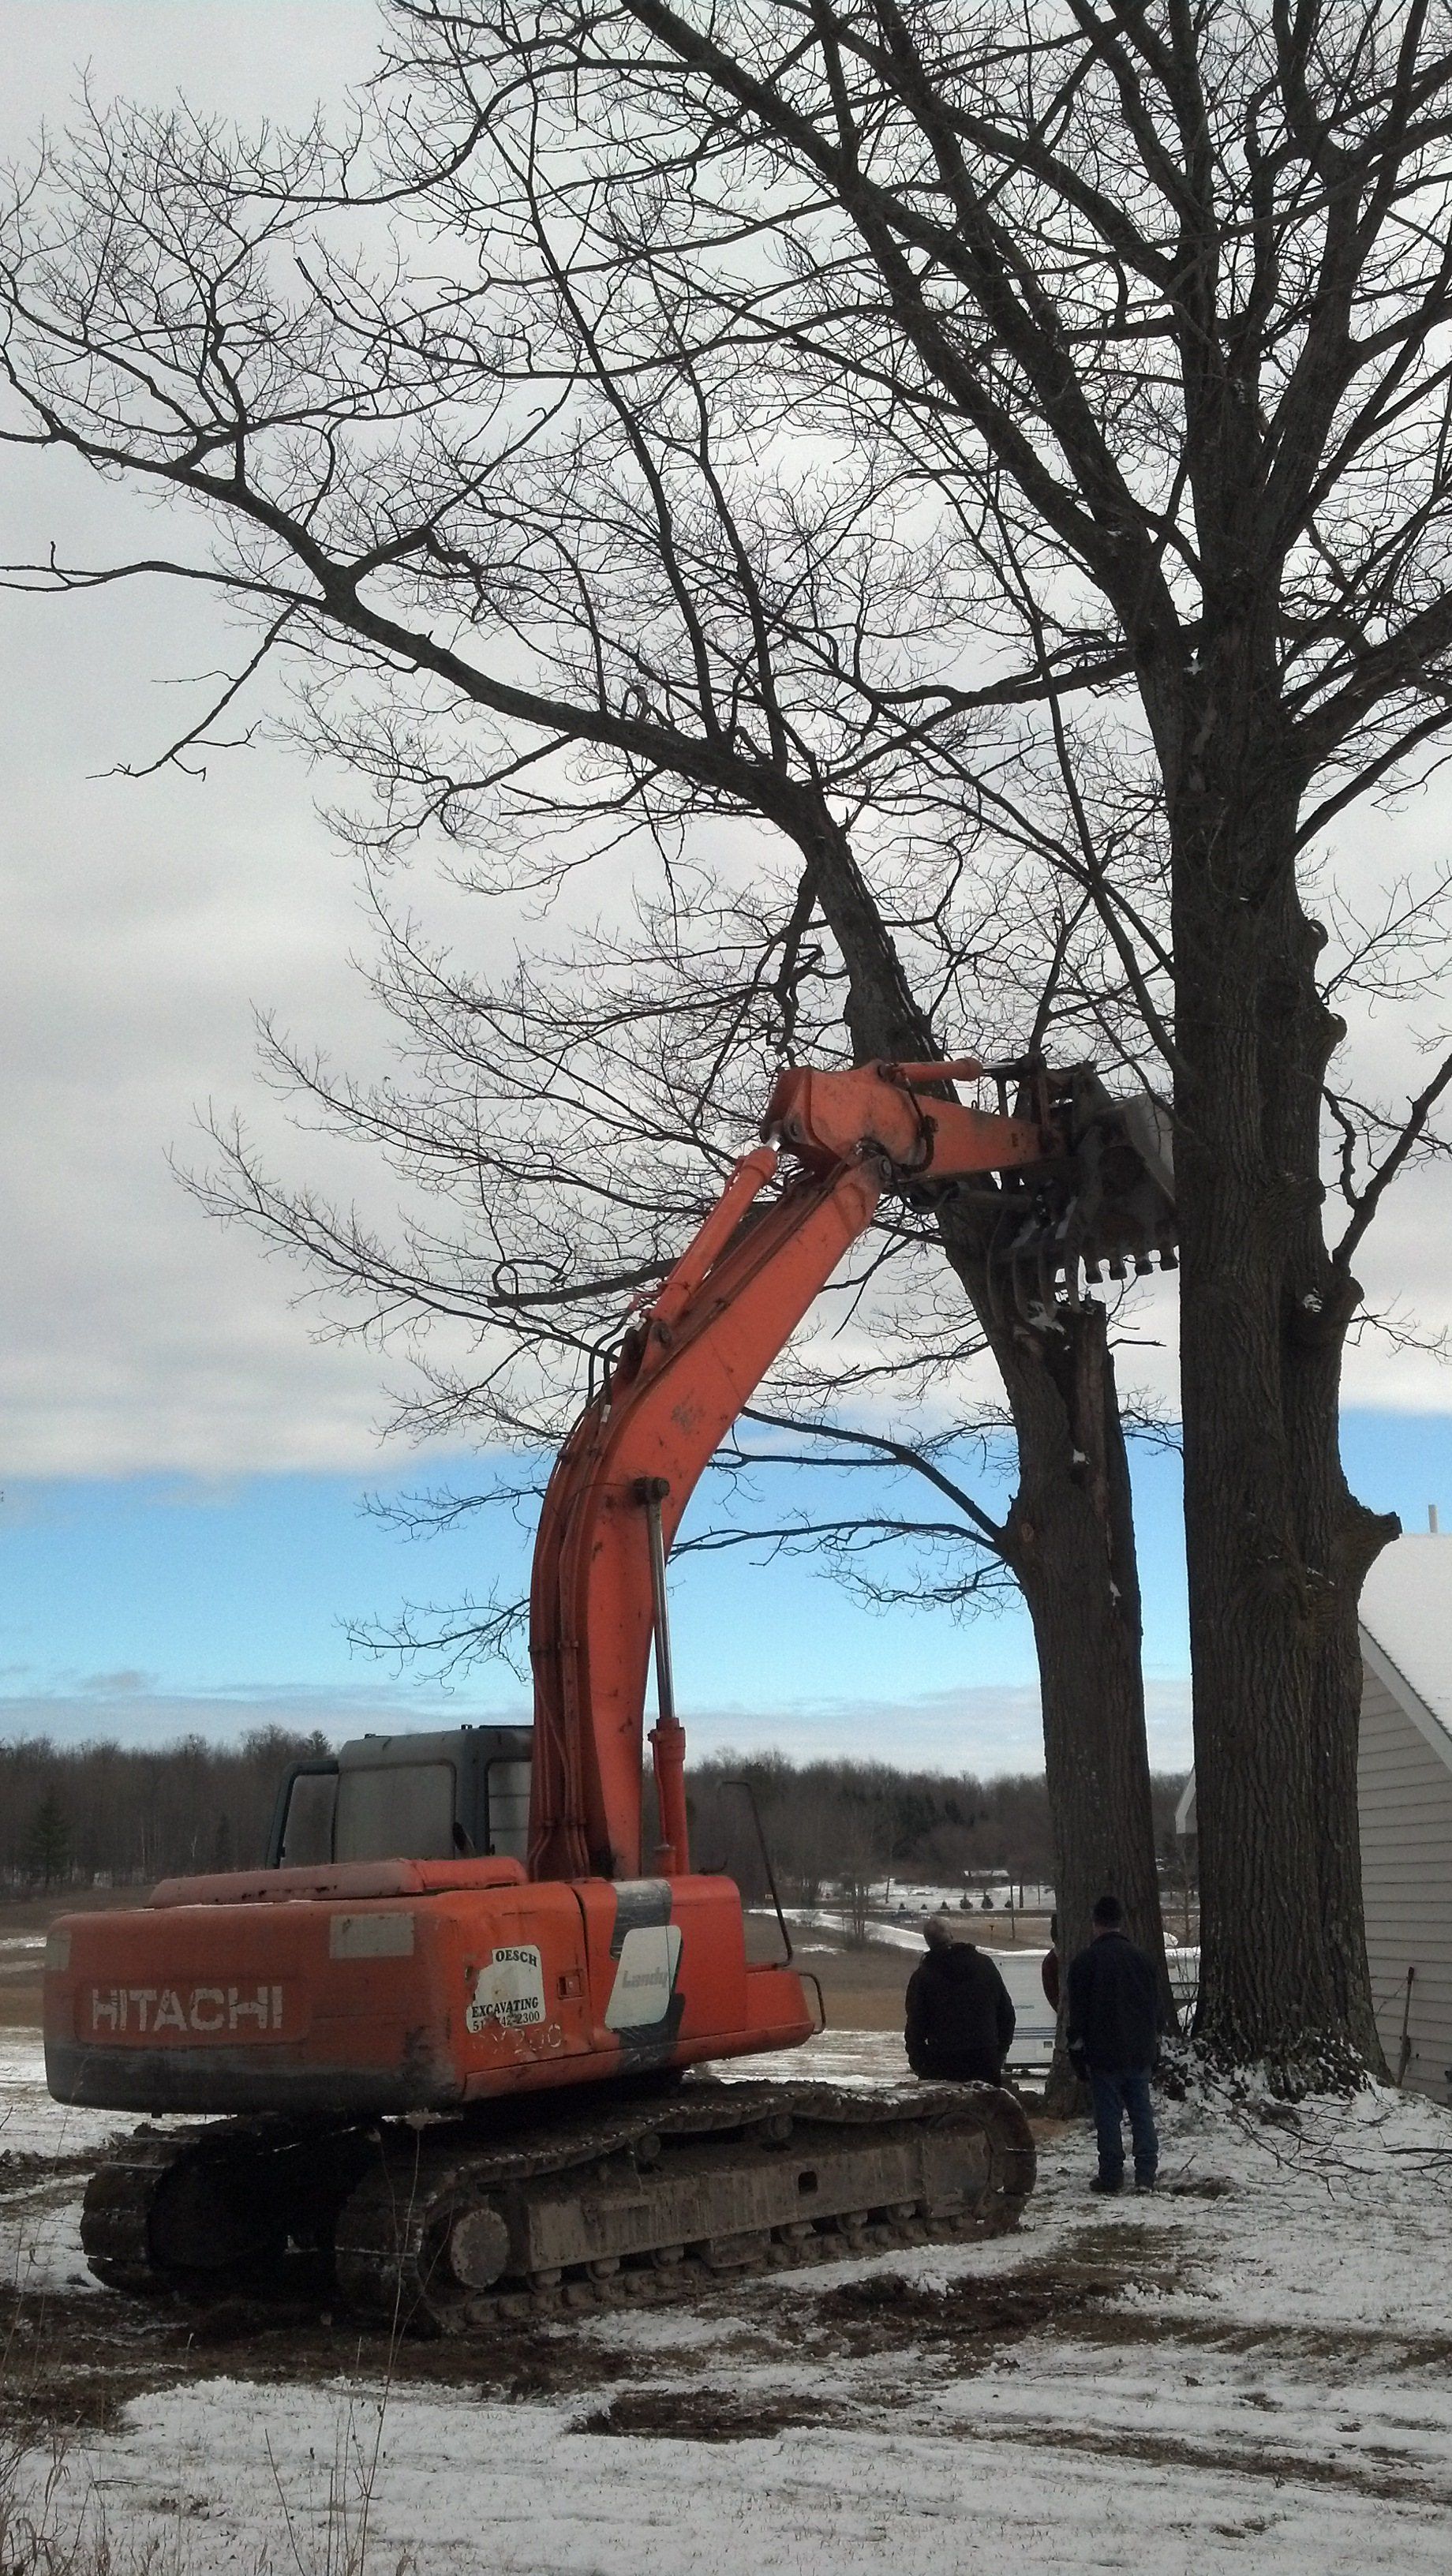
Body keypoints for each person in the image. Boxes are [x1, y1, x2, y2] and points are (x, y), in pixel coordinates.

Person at [1065, 1895, 1161, 2192]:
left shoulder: (1085, 1963)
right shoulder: (1143, 1960)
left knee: (1108, 2117)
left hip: (1103, 2053)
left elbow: (1078, 2014)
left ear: (1095, 1923)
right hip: (1139, 2050)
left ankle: (1111, 2174)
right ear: (1121, 1922)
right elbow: (1155, 2009)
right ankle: (1146, 2173)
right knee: (1141, 2113)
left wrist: (1076, 2052)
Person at [904, 1914, 1016, 2084]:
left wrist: (920, 2064)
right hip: (985, 2059)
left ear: (928, 1942)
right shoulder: (985, 1966)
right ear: (950, 1934)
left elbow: (915, 2026)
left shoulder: (923, 1977)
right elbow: (1006, 2014)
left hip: (941, 2062)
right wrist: (1000, 2051)